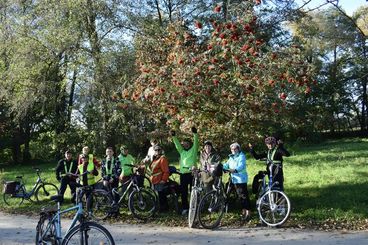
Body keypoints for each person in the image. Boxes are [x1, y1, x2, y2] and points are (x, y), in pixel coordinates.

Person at [171, 126, 199, 215]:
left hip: (192, 173)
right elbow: (177, 145)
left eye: (187, 143)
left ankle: (194, 207)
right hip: (183, 174)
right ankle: (185, 208)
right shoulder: (182, 152)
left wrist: (195, 134)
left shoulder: (193, 150)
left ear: (190, 144)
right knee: (184, 192)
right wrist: (174, 136)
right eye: (184, 144)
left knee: (193, 192)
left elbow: (196, 143)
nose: (185, 145)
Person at [223, 142, 251, 221]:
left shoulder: (241, 156)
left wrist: (235, 170)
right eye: (232, 149)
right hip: (233, 179)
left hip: (240, 179)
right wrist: (223, 167)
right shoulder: (231, 157)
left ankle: (248, 211)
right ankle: (242, 210)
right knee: (235, 194)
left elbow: (241, 166)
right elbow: (226, 164)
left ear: (238, 149)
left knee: (243, 196)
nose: (233, 150)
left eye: (235, 148)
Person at [149, 145, 170, 212]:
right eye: (156, 150)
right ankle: (159, 208)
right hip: (154, 179)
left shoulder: (162, 159)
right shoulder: (155, 159)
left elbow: (166, 171)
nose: (157, 151)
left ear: (161, 150)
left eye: (159, 150)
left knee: (161, 195)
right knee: (157, 195)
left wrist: (164, 180)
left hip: (159, 179)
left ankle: (164, 209)